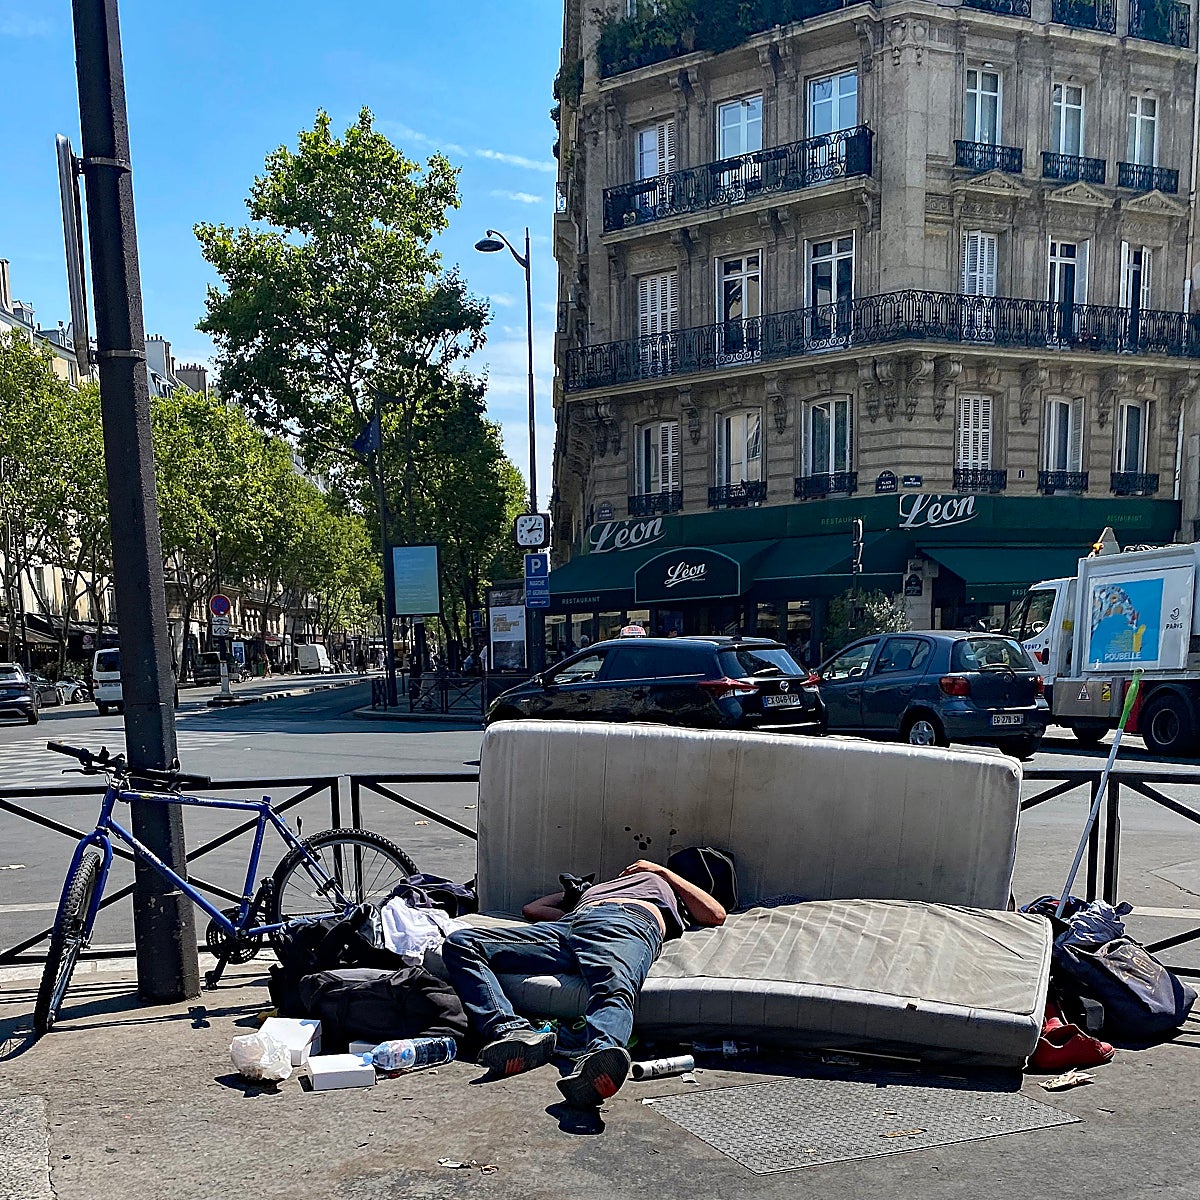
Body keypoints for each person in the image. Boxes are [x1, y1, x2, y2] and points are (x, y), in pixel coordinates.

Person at [441, 858, 726, 1108]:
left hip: (623, 921)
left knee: (613, 986)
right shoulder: (596, 890)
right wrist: (573, 893)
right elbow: (532, 910)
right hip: (568, 927)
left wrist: (660, 870)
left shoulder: (662, 884)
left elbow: (716, 914)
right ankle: (514, 1032)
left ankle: (600, 1059)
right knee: (462, 943)